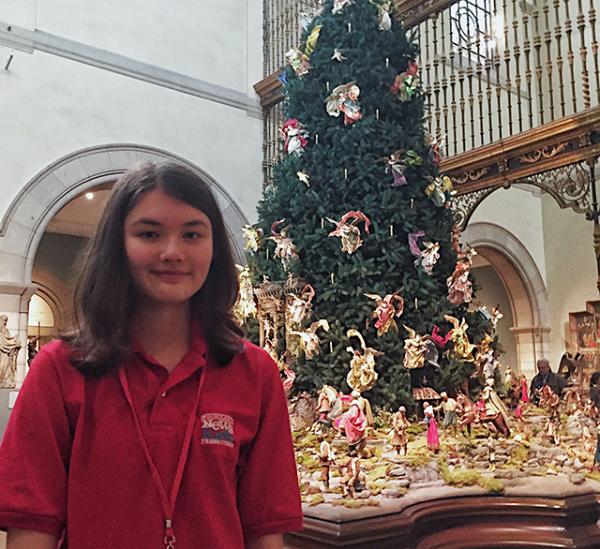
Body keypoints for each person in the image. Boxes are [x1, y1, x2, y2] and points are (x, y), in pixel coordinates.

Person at [0, 162, 303, 549]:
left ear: (214, 249)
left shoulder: (255, 373)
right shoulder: (59, 371)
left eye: (192, 234)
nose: (173, 252)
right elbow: (31, 529)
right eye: (149, 233)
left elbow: (265, 531)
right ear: (118, 246)